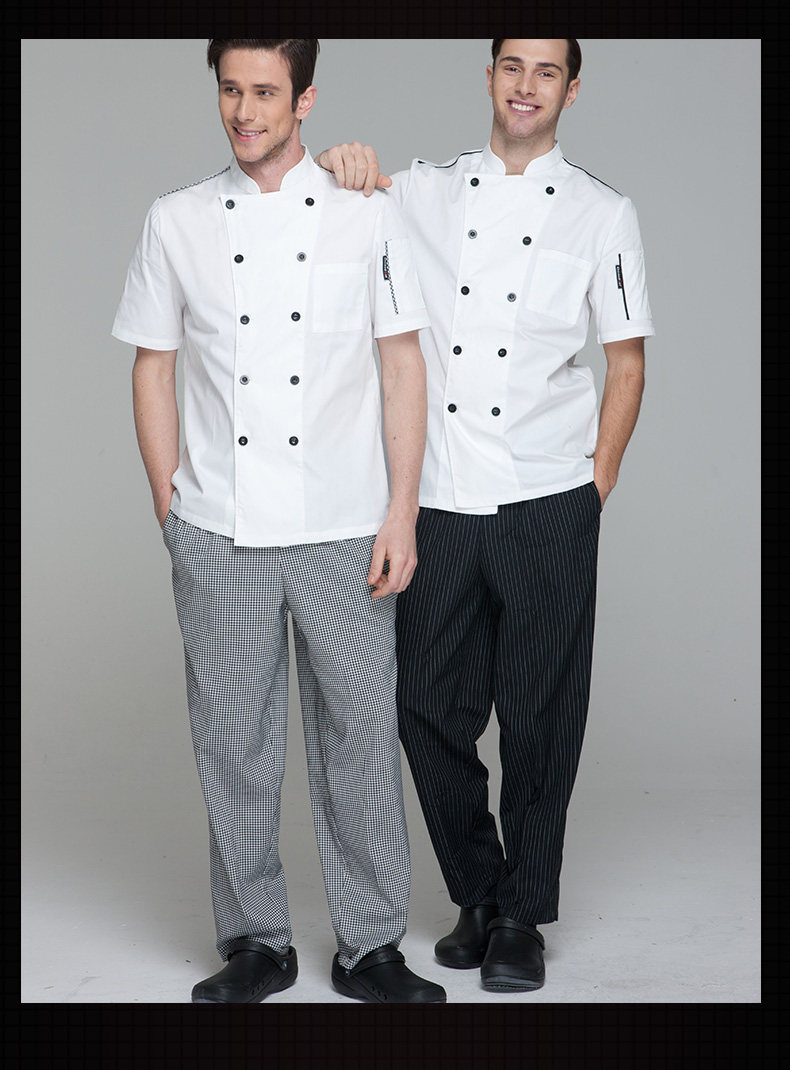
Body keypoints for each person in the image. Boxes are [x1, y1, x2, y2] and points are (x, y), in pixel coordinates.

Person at [112, 37, 447, 1005]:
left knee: (362, 737)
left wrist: (402, 510)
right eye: (231, 89)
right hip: (220, 526)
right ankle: (256, 939)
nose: (243, 111)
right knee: (233, 743)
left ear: (305, 99)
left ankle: (371, 944)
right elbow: (153, 366)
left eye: (265, 92)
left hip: (346, 523)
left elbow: (402, 363)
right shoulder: (176, 220)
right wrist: (171, 506)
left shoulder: (364, 210)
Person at [317, 38, 655, 992]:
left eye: (546, 72)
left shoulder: (602, 211)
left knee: (542, 717)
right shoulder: (425, 190)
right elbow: (350, 193)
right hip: (437, 495)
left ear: (571, 90)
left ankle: (519, 916)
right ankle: (476, 886)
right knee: (426, 705)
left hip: (548, 495)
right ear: (492, 75)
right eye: (512, 66)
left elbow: (625, 361)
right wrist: (342, 160)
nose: (525, 85)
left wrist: (594, 483)